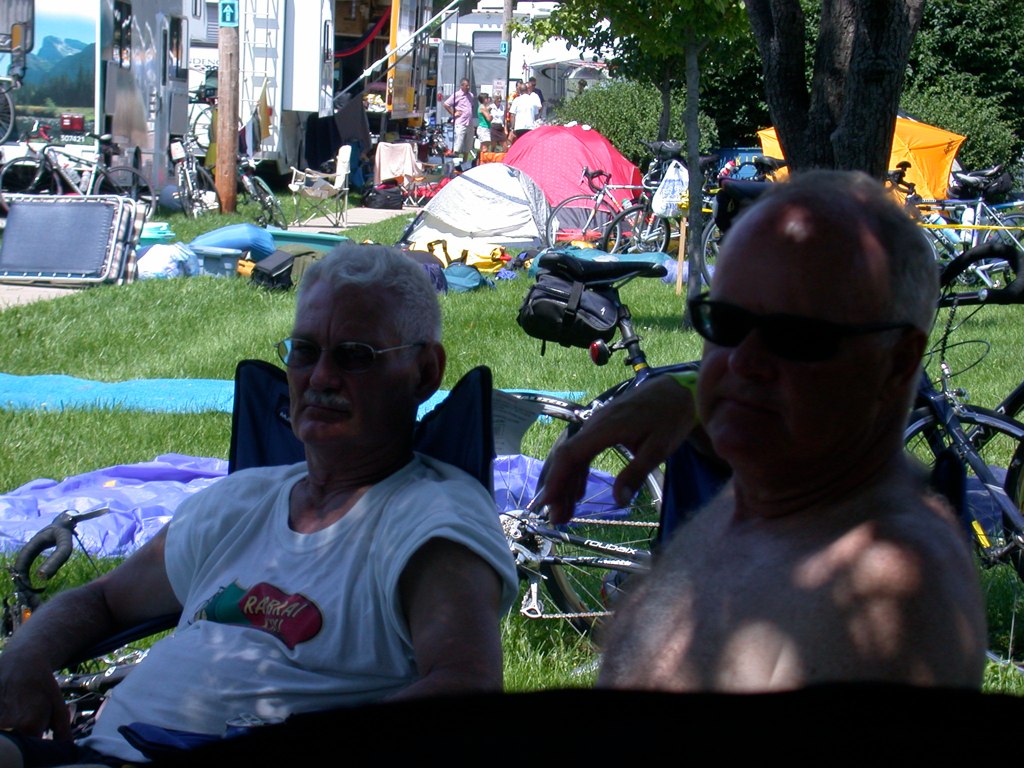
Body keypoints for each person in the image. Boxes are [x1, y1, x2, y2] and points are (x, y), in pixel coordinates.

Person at [0, 245, 519, 765]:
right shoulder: (239, 501)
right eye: (304, 351)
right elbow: (103, 600)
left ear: (424, 372)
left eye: (354, 355)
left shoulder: (433, 520)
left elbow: (465, 685)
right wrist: (24, 655)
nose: (320, 377)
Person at [538, 170, 987, 692]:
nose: (743, 361)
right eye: (726, 323)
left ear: (898, 361)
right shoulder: (781, 484)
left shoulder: (882, 595)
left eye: (795, 336)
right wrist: (685, 394)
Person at [442, 78, 475, 161]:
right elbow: (446, 104)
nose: (468, 87)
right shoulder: (457, 95)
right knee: (458, 144)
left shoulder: (471, 95)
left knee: (468, 145)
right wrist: (453, 113)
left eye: (469, 86)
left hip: (469, 122)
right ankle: (455, 161)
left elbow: (471, 106)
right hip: (460, 122)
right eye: (466, 86)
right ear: (462, 86)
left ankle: (465, 161)